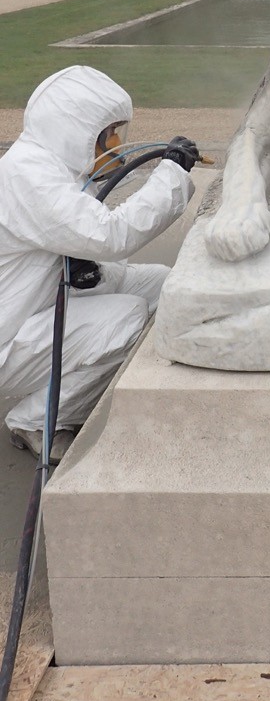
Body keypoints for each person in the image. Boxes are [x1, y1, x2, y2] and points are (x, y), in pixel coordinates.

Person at [0, 66, 199, 462]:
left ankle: (79, 385)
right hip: (10, 339)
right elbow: (110, 235)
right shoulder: (27, 178)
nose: (115, 143)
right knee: (127, 317)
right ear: (75, 130)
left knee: (162, 287)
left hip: (33, 306)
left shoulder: (52, 164)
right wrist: (171, 175)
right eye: (108, 133)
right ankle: (37, 420)